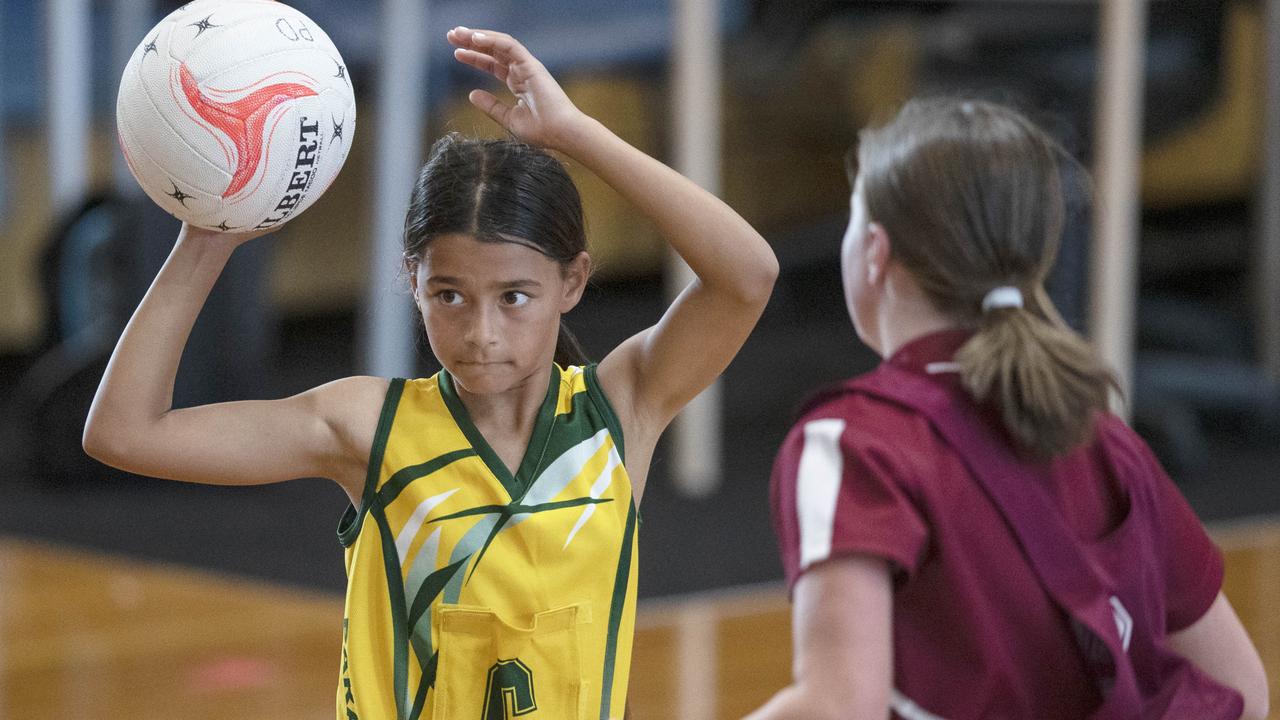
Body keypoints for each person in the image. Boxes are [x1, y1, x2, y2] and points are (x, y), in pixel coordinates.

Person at [83, 26, 778, 720]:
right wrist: (211, 233)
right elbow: (125, 432)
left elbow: (747, 276)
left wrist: (575, 134)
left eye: (514, 298)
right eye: (449, 296)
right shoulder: (367, 427)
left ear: (573, 282)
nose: (480, 332)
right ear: (411, 282)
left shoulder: (619, 411)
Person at [747, 98, 1268, 720]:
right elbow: (1241, 689)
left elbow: (838, 706)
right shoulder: (1098, 433)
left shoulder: (851, 444)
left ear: (876, 253)